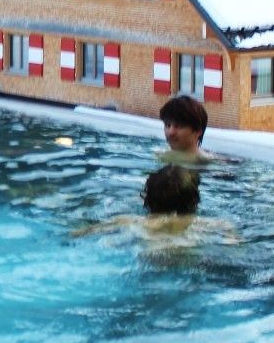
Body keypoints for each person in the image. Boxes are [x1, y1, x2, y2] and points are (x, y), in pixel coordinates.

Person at [72, 166, 203, 238]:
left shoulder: (128, 221)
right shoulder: (199, 225)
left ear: (147, 198)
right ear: (194, 201)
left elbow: (80, 233)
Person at [157, 96, 213, 164]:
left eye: (179, 126)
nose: (171, 132)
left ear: (198, 131)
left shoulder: (206, 162)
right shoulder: (159, 154)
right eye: (167, 125)